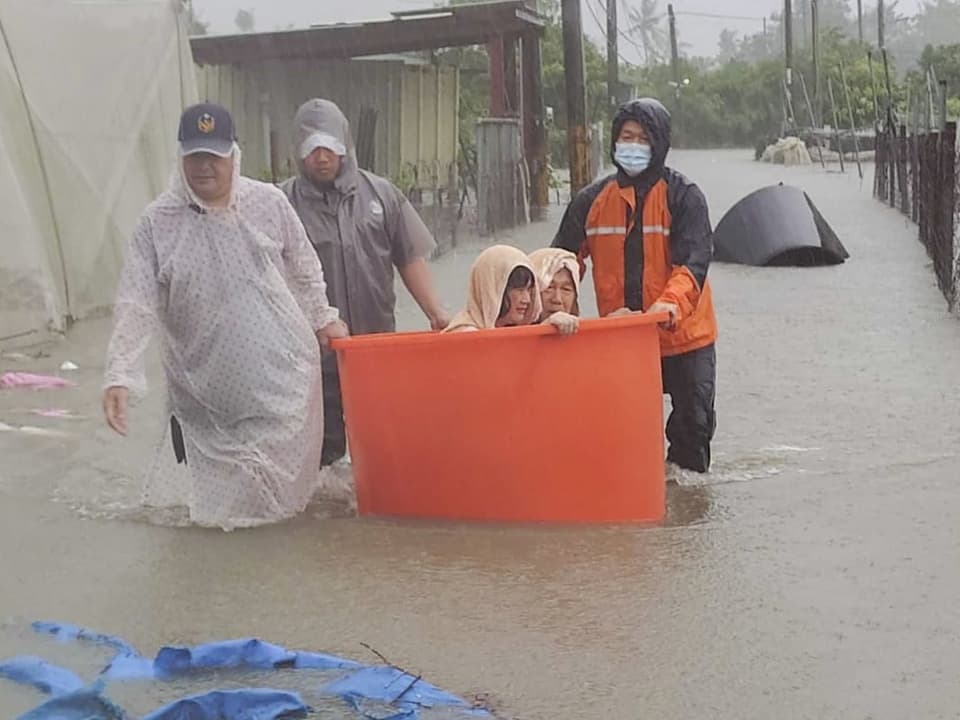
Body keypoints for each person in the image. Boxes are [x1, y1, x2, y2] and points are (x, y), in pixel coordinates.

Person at [101, 103, 347, 530]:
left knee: (280, 512)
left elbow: (305, 267)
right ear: (181, 157)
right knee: (217, 519)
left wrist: (323, 317)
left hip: (281, 385)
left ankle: (271, 581)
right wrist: (120, 373)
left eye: (214, 156)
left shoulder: (268, 203)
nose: (204, 167)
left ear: (234, 154)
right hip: (204, 395)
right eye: (194, 156)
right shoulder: (157, 223)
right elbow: (136, 301)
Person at [552, 98, 718, 473]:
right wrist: (552, 308)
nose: (633, 145)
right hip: (621, 339)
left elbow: (693, 265)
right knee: (620, 434)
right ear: (613, 142)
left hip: (684, 337)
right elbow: (561, 266)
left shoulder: (685, 197)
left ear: (659, 143)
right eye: (626, 136)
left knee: (693, 432)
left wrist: (668, 304)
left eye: (643, 138)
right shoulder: (590, 201)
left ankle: (684, 512)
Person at [282, 98, 449, 467]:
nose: (321, 157)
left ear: (344, 145)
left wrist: (436, 313)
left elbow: (409, 257)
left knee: (382, 450)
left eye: (329, 147)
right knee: (318, 460)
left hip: (375, 352)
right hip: (310, 361)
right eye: (311, 149)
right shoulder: (280, 204)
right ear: (298, 151)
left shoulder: (382, 195)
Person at [443, 245, 543, 333]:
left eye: (529, 290)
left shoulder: (516, 330)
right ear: (493, 289)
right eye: (519, 290)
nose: (527, 299)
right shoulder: (464, 335)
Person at [529, 247, 580, 336]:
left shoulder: (584, 340)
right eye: (549, 288)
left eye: (566, 289)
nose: (557, 299)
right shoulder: (507, 334)